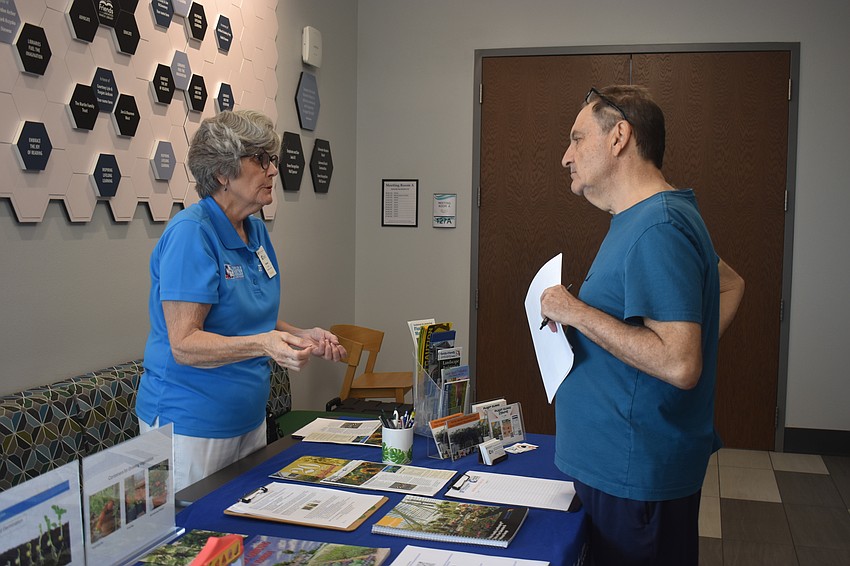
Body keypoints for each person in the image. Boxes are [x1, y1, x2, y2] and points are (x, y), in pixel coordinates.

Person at [540, 86, 745, 566]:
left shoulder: (659, 226)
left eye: (576, 139)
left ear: (619, 138)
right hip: (622, 469)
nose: (565, 156)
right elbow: (729, 286)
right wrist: (670, 351)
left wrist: (576, 312)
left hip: (635, 475)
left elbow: (678, 362)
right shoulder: (648, 218)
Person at [135, 110, 345, 491]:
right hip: (190, 427)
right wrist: (264, 345)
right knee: (195, 545)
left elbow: (250, 319)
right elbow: (184, 343)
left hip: (248, 420)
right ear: (222, 173)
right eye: (260, 160)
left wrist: (302, 334)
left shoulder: (255, 230)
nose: (272, 171)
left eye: (272, 159)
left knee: (241, 540)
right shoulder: (191, 236)